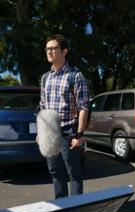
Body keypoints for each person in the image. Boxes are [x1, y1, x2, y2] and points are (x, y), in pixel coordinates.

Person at [39, 34, 90, 199]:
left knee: (73, 172)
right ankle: (61, 206)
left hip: (69, 130)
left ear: (64, 51)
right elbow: (43, 106)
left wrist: (80, 134)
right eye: (47, 48)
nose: (49, 51)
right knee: (55, 171)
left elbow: (83, 107)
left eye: (54, 48)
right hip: (50, 131)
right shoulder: (45, 78)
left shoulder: (75, 76)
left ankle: (76, 207)